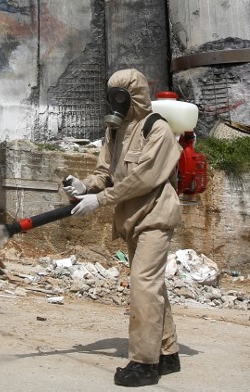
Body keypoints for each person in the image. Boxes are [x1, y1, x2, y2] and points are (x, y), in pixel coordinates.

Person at [64, 68, 183, 387]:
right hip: (131, 218)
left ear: (137, 95)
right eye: (112, 94)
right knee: (151, 284)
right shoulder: (114, 131)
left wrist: (100, 200)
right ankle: (168, 352)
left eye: (122, 94)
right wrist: (84, 186)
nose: (116, 101)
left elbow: (143, 178)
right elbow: (105, 172)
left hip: (157, 214)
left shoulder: (156, 128)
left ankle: (145, 364)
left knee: (143, 284)